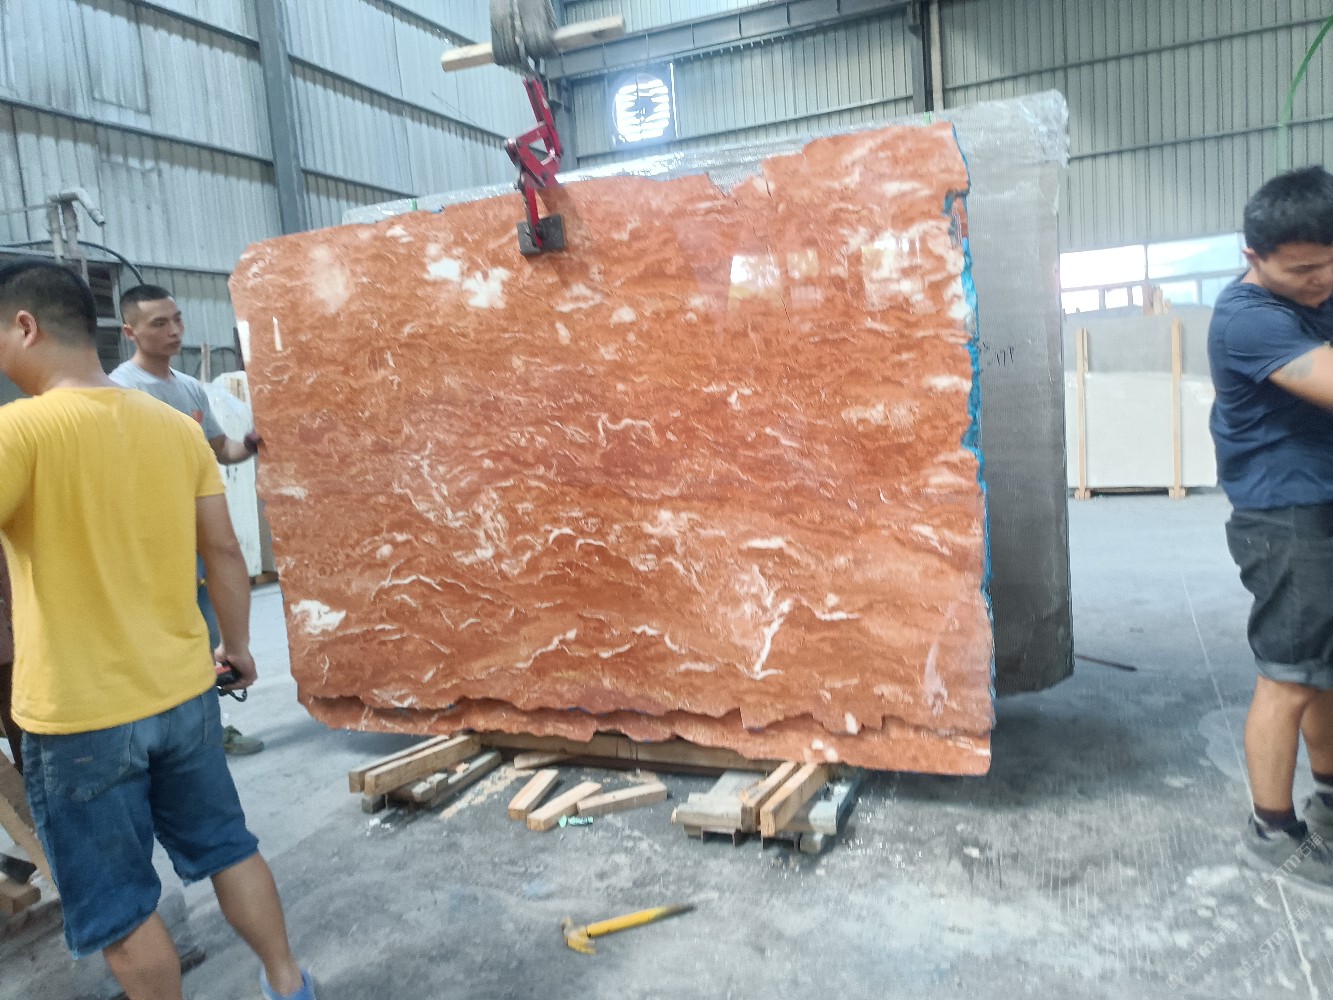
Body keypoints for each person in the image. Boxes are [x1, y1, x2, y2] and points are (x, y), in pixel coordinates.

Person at [0, 259, 315, 1000]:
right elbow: (225, 552)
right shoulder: (175, 428)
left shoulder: (17, 432)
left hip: (81, 718)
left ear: (25, 326)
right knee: (228, 847)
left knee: (120, 906)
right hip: (183, 694)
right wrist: (237, 647)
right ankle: (288, 984)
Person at [1209, 165, 1333, 891]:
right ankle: (1271, 831)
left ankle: (1330, 799)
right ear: (1254, 257)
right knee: (1288, 676)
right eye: (1303, 271)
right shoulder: (1247, 318)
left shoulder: (1318, 290)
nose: (1321, 282)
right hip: (1282, 515)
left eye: (1329, 265)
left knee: (1324, 670)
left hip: (1321, 500)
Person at [111, 284, 264, 756]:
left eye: (177, 319)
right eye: (159, 323)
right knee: (159, 644)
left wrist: (253, 442)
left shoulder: (190, 388)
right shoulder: (121, 391)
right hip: (151, 544)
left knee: (208, 637)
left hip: (197, 537)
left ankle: (208, 732)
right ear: (130, 332)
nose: (174, 330)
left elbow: (222, 451)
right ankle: (163, 740)